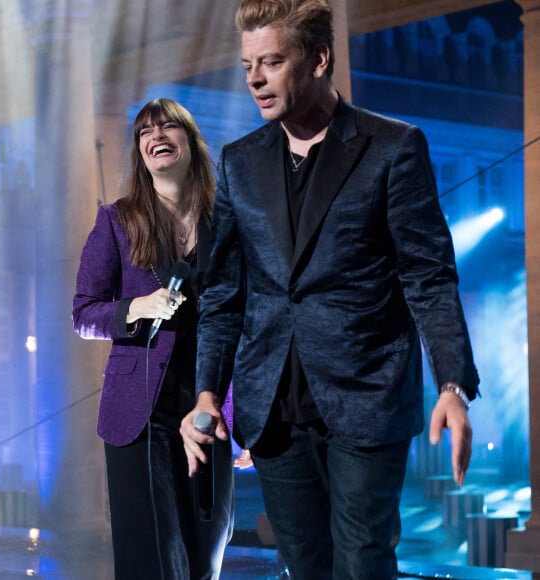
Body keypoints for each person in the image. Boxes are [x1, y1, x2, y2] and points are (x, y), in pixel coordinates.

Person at [180, 1, 480, 578]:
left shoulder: (393, 147)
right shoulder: (239, 162)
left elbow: (429, 276)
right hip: (272, 408)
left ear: (319, 59)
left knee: (364, 564)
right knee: (302, 564)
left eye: (271, 61)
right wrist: (207, 394)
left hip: (367, 397)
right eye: (247, 65)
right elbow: (222, 294)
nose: (255, 79)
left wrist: (451, 384)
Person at [72, 98, 233, 580]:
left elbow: (245, 320)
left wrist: (243, 413)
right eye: (144, 130)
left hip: (208, 404)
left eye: (167, 126)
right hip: (139, 411)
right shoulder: (116, 221)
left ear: (190, 142)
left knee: (205, 552)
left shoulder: (226, 221)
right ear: (140, 152)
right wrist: (135, 309)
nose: (154, 134)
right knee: (155, 557)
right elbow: (82, 313)